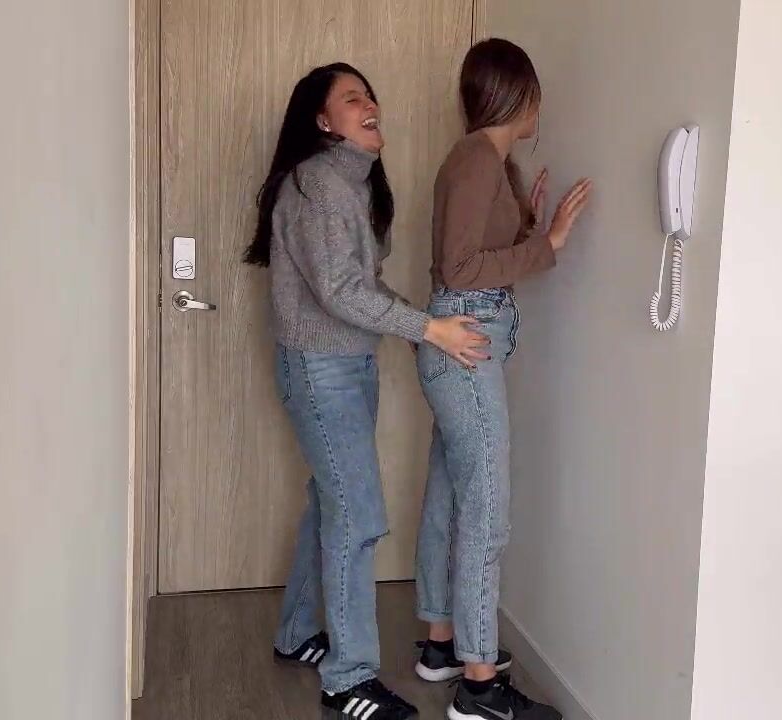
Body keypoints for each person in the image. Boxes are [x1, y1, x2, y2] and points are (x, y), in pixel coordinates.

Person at [245, 61, 488, 720]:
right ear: (324, 121)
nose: (369, 104)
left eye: (370, 95)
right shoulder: (318, 183)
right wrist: (429, 328)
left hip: (346, 366)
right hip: (321, 370)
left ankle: (297, 632)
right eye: (352, 98)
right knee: (358, 516)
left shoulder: (351, 185)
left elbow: (362, 284)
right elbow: (339, 291)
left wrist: (414, 324)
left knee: (332, 503)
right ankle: (347, 680)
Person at [412, 39, 593, 720]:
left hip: (464, 345)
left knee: (451, 497)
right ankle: (479, 687)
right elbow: (460, 268)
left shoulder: (487, 162)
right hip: (466, 345)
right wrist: (547, 246)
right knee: (485, 511)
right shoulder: (475, 160)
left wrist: (527, 221)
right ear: (518, 94)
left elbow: (476, 251)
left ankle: (442, 645)